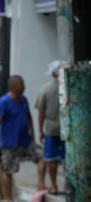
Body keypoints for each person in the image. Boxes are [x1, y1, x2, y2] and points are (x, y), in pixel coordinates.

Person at [0, 75, 38, 201]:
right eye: (21, 84)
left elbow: (29, 117)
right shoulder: (4, 102)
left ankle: (42, 185)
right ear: (13, 87)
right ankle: (8, 199)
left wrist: (33, 135)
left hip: (25, 141)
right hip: (8, 144)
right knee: (8, 171)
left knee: (42, 158)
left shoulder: (24, 100)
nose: (24, 87)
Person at [35, 61, 64, 194]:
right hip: (67, 129)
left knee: (52, 159)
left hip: (51, 130)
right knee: (67, 159)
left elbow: (41, 112)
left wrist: (40, 130)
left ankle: (54, 186)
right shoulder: (69, 87)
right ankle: (69, 185)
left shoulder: (45, 89)